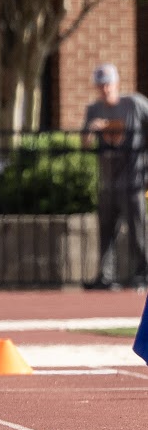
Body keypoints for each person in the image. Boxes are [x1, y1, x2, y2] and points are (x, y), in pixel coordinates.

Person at [82, 63, 148, 290]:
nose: (105, 89)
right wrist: (91, 130)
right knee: (106, 231)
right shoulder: (94, 110)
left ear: (116, 84)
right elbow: (84, 144)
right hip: (108, 181)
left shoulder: (134, 104)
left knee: (137, 229)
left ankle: (144, 273)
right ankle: (105, 276)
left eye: (108, 84)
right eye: (101, 85)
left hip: (133, 180)